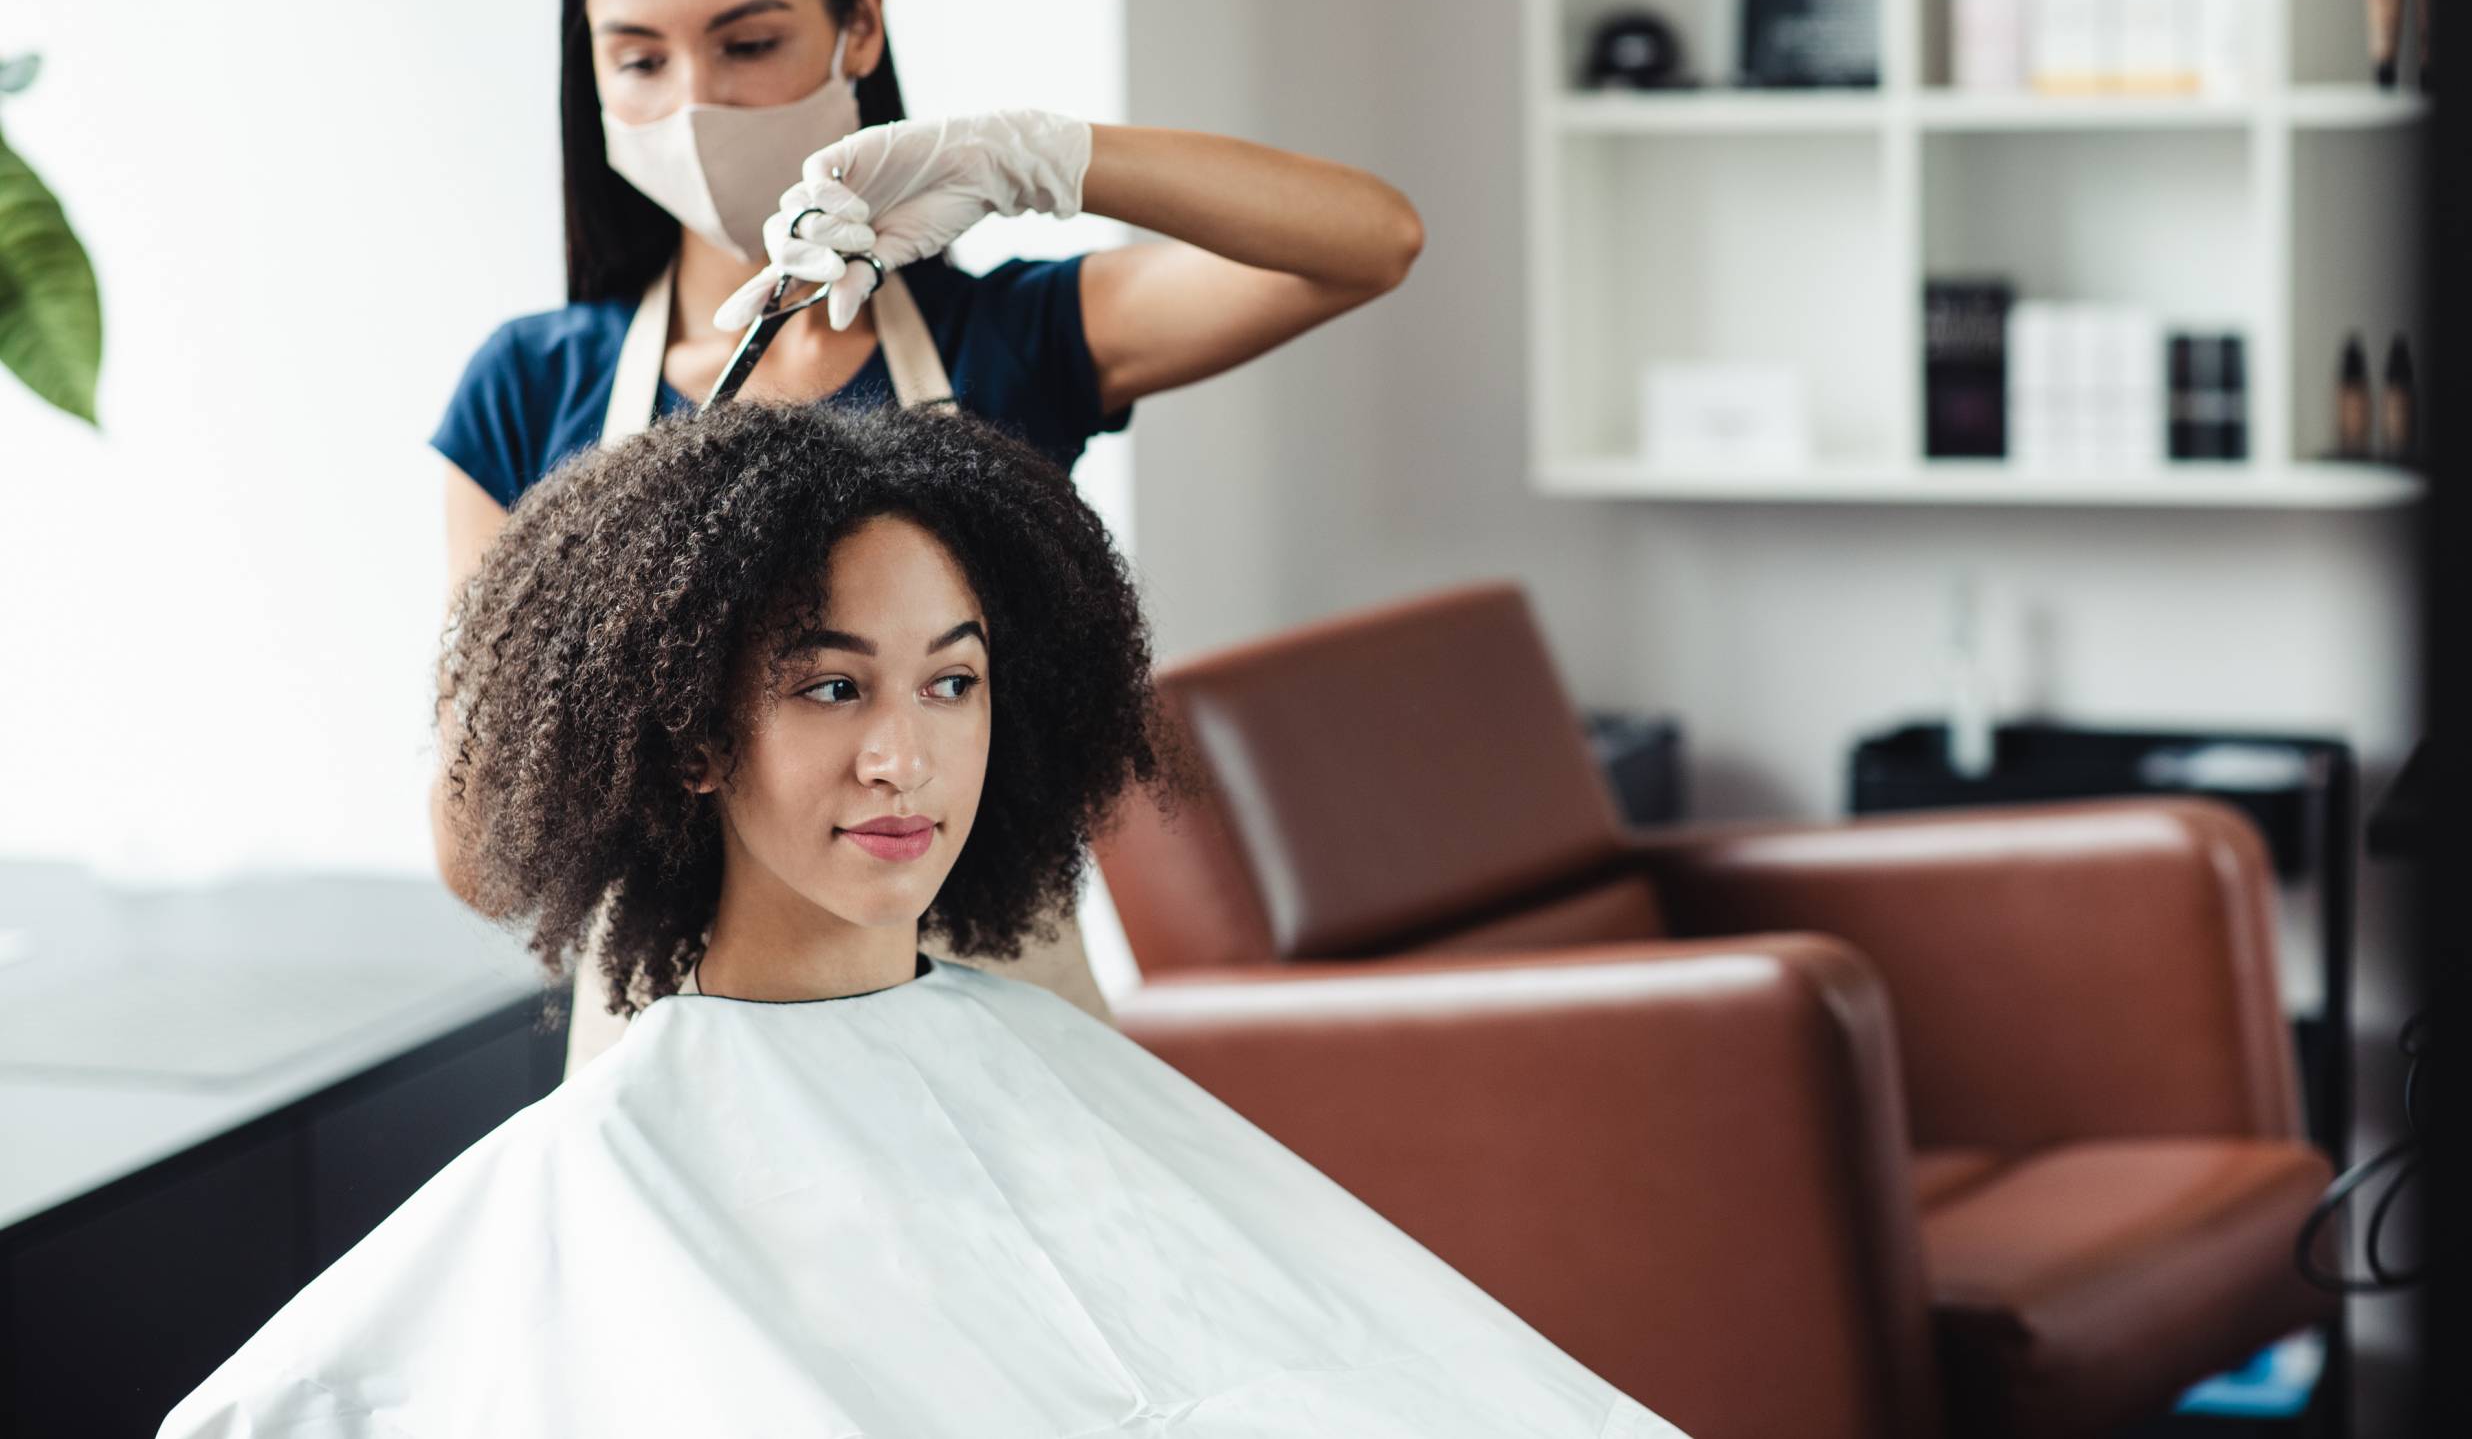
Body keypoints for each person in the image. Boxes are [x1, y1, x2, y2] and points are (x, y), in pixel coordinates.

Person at [162, 404, 1681, 1439]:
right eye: (831, 685)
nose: (905, 753)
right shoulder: (619, 1160)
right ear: (691, 733)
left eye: (951, 681)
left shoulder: (1045, 1068)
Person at [429, 0, 1423, 1050]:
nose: (695, 103)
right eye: (639, 59)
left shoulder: (1006, 340)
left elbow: (1368, 243)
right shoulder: (531, 391)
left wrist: (1045, 160)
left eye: (747, 43)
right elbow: (481, 854)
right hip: (681, 1057)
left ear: (858, 23)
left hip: (994, 1034)